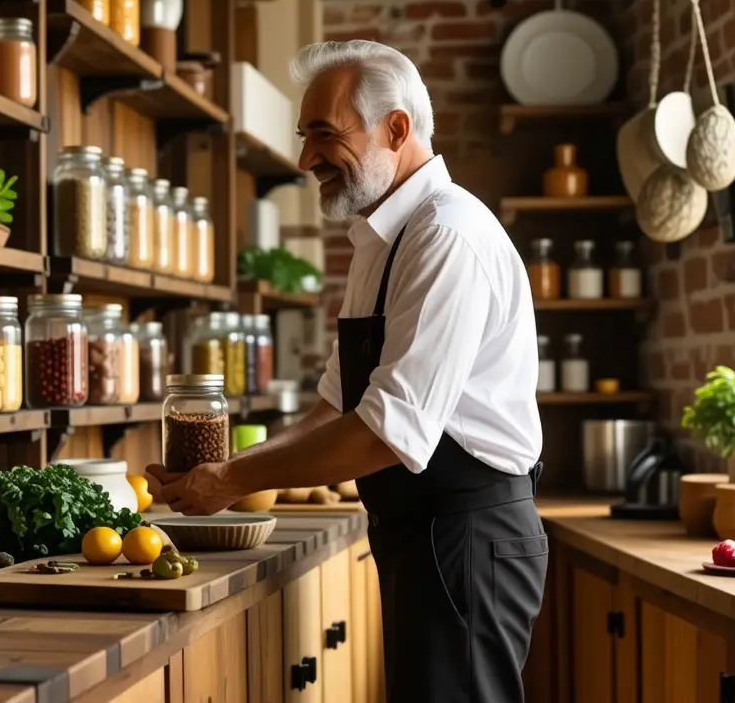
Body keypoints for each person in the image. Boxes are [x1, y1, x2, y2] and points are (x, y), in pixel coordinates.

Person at [146, 40, 546, 702]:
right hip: (423, 535)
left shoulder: (445, 236)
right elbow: (334, 407)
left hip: (467, 536)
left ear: (396, 129)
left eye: (324, 136)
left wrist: (233, 478)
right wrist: (215, 479)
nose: (306, 160)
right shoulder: (381, 240)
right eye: (304, 138)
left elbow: (388, 433)